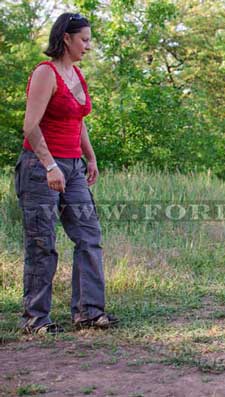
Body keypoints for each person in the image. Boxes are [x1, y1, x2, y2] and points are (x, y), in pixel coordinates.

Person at [14, 12, 118, 334]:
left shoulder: (77, 74)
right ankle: (36, 320)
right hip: (41, 167)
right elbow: (30, 126)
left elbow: (78, 120)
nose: (88, 46)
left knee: (89, 235)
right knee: (42, 242)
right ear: (66, 39)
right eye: (84, 39)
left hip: (73, 168)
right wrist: (49, 165)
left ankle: (88, 312)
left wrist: (91, 157)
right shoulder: (46, 73)